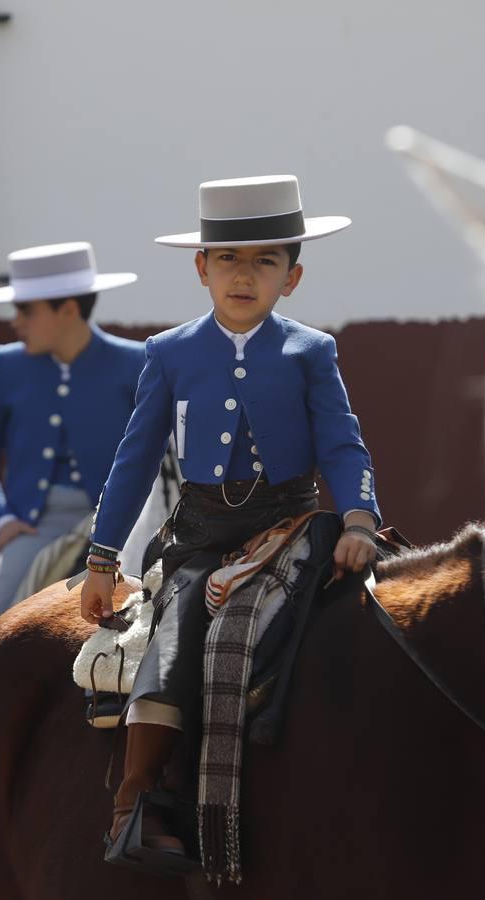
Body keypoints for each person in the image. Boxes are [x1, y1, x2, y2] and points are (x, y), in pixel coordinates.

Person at [79, 176, 382, 856]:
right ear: (201, 268)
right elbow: (134, 460)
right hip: (203, 537)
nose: (245, 275)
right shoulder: (170, 353)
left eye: (265, 261)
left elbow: (341, 441)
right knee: (178, 633)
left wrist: (360, 518)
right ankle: (138, 801)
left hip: (293, 528)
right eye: (228, 260)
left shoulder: (312, 352)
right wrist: (102, 561)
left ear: (292, 277)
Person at [0, 241, 144, 649]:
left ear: (69, 309)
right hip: (36, 525)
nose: (14, 321)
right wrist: (1, 522)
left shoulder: (135, 363)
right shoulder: (8, 365)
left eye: (26, 310)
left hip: (124, 523)